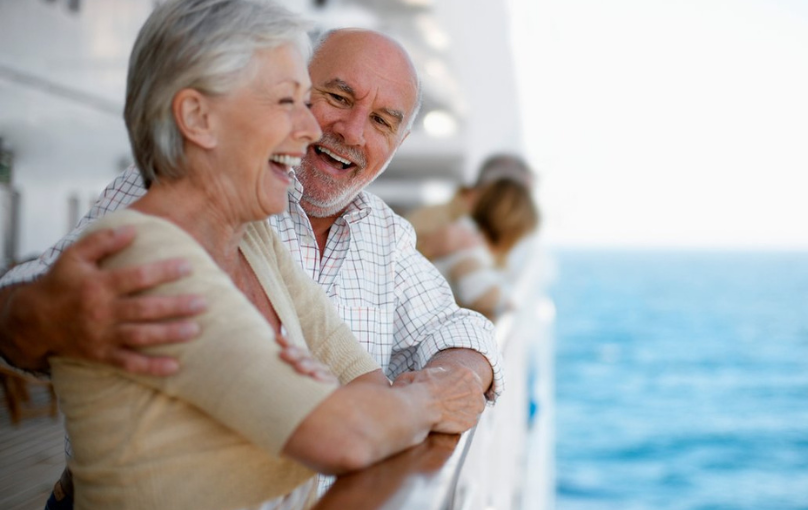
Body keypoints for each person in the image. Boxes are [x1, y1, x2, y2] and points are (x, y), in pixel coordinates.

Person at [0, 18, 498, 510]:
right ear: (200, 118)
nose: (319, 128)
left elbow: (391, 359)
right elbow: (339, 431)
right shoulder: (162, 238)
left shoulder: (264, 235)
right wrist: (423, 403)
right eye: (312, 99)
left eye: (382, 120)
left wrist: (437, 384)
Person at [430, 178, 539, 319]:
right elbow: (478, 293)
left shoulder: (469, 233)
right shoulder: (467, 240)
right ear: (512, 230)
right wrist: (509, 301)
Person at [408, 153, 535, 263]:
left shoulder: (497, 238)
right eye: (517, 200)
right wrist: (428, 248)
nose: (519, 210)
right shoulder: (430, 218)